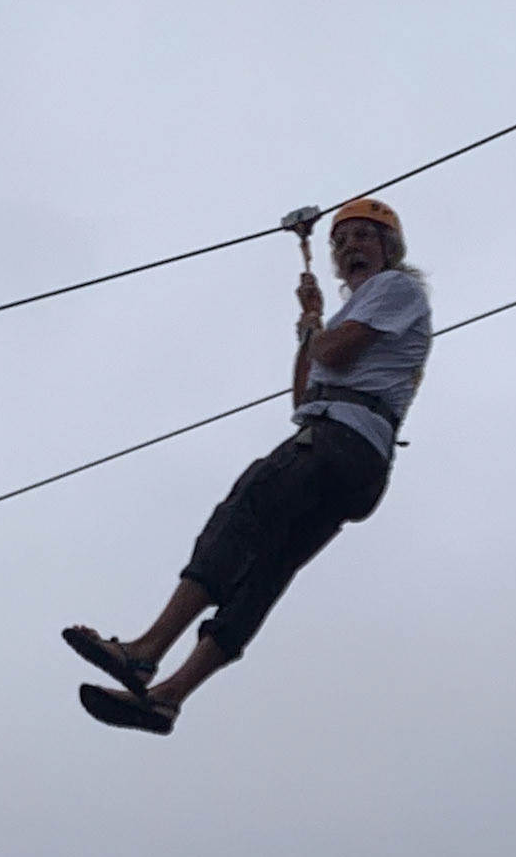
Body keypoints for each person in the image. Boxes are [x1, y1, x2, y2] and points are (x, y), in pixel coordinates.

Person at [64, 196, 431, 735]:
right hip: (358, 458)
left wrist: (316, 327)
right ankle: (169, 696)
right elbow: (302, 395)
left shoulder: (396, 288)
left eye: (363, 236)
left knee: (244, 514)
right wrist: (310, 325)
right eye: (341, 241)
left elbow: (334, 354)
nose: (350, 247)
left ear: (389, 248)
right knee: (268, 569)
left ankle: (146, 650)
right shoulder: (361, 309)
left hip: (339, 439)